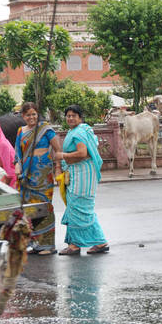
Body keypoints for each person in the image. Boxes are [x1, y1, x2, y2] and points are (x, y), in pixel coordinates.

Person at [53, 104, 108, 255]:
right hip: (80, 173)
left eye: (73, 115)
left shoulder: (79, 133)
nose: (70, 118)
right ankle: (89, 243)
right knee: (77, 208)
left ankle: (78, 245)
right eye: (68, 116)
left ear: (80, 117)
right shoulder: (80, 130)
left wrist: (63, 156)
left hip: (82, 175)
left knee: (79, 208)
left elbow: (82, 153)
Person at [14, 102, 62, 255]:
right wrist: (17, 166)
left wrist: (58, 167)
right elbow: (17, 154)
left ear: (37, 114)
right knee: (29, 209)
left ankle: (48, 245)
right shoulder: (21, 131)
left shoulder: (45, 129)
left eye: (34, 114)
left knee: (45, 207)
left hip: (43, 174)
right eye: (28, 114)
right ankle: (35, 243)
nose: (31, 117)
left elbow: (58, 150)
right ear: (23, 116)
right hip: (26, 175)